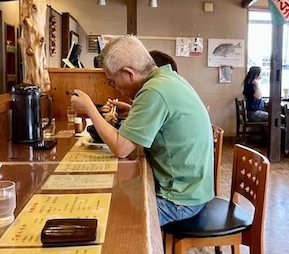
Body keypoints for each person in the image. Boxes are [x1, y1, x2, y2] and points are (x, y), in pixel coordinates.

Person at [70, 35, 214, 226]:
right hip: (194, 190)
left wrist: (89, 108)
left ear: (128, 73)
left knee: (105, 216)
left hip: (180, 200)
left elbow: (121, 149)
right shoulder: (168, 78)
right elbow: (167, 119)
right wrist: (132, 111)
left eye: (113, 81)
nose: (115, 87)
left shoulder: (153, 90)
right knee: (114, 195)